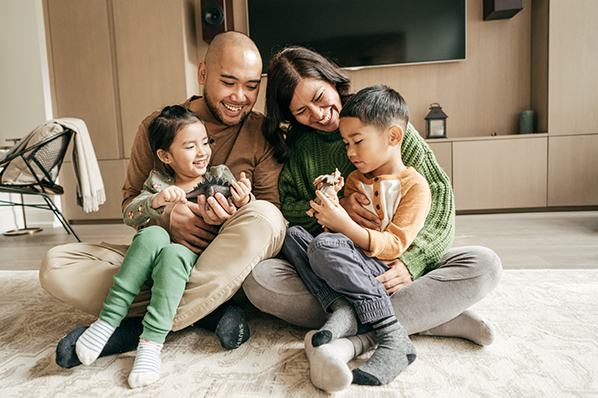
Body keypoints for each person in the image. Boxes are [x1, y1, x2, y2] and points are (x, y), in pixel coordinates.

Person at [241, 46, 503, 392]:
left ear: (333, 80)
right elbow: (288, 209)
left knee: (483, 263)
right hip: (338, 262)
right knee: (260, 279)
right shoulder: (299, 149)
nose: (319, 114)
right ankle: (436, 317)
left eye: (320, 98)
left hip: (392, 261)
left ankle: (351, 332)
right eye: (301, 111)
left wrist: (412, 262)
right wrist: (332, 210)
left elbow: (438, 194)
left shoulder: (384, 123)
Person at [39, 31, 287, 369]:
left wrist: (231, 213)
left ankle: (133, 329)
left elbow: (272, 217)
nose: (240, 97)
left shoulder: (262, 132)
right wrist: (166, 216)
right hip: (163, 254)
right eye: (228, 82)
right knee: (56, 266)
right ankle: (204, 311)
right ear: (202, 73)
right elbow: (130, 202)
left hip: (224, 260)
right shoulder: (158, 127)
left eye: (251, 86)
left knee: (266, 217)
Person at [76, 105, 253, 388]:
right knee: (152, 236)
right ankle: (108, 321)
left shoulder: (219, 174)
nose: (202, 152)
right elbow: (130, 214)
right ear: (165, 156)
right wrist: (156, 203)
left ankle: (150, 343)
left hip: (192, 265)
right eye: (190, 146)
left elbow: (245, 216)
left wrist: (244, 199)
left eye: (205, 143)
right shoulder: (158, 183)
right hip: (146, 263)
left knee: (173, 253)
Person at [283, 85, 427, 386]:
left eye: (357, 141)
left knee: (324, 245)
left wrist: (344, 225)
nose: (349, 152)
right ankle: (343, 307)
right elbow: (334, 243)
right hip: (351, 265)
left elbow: (394, 245)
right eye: (346, 142)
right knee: (293, 235)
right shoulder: (353, 179)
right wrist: (331, 206)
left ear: (394, 137)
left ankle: (391, 334)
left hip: (382, 269)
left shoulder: (415, 187)